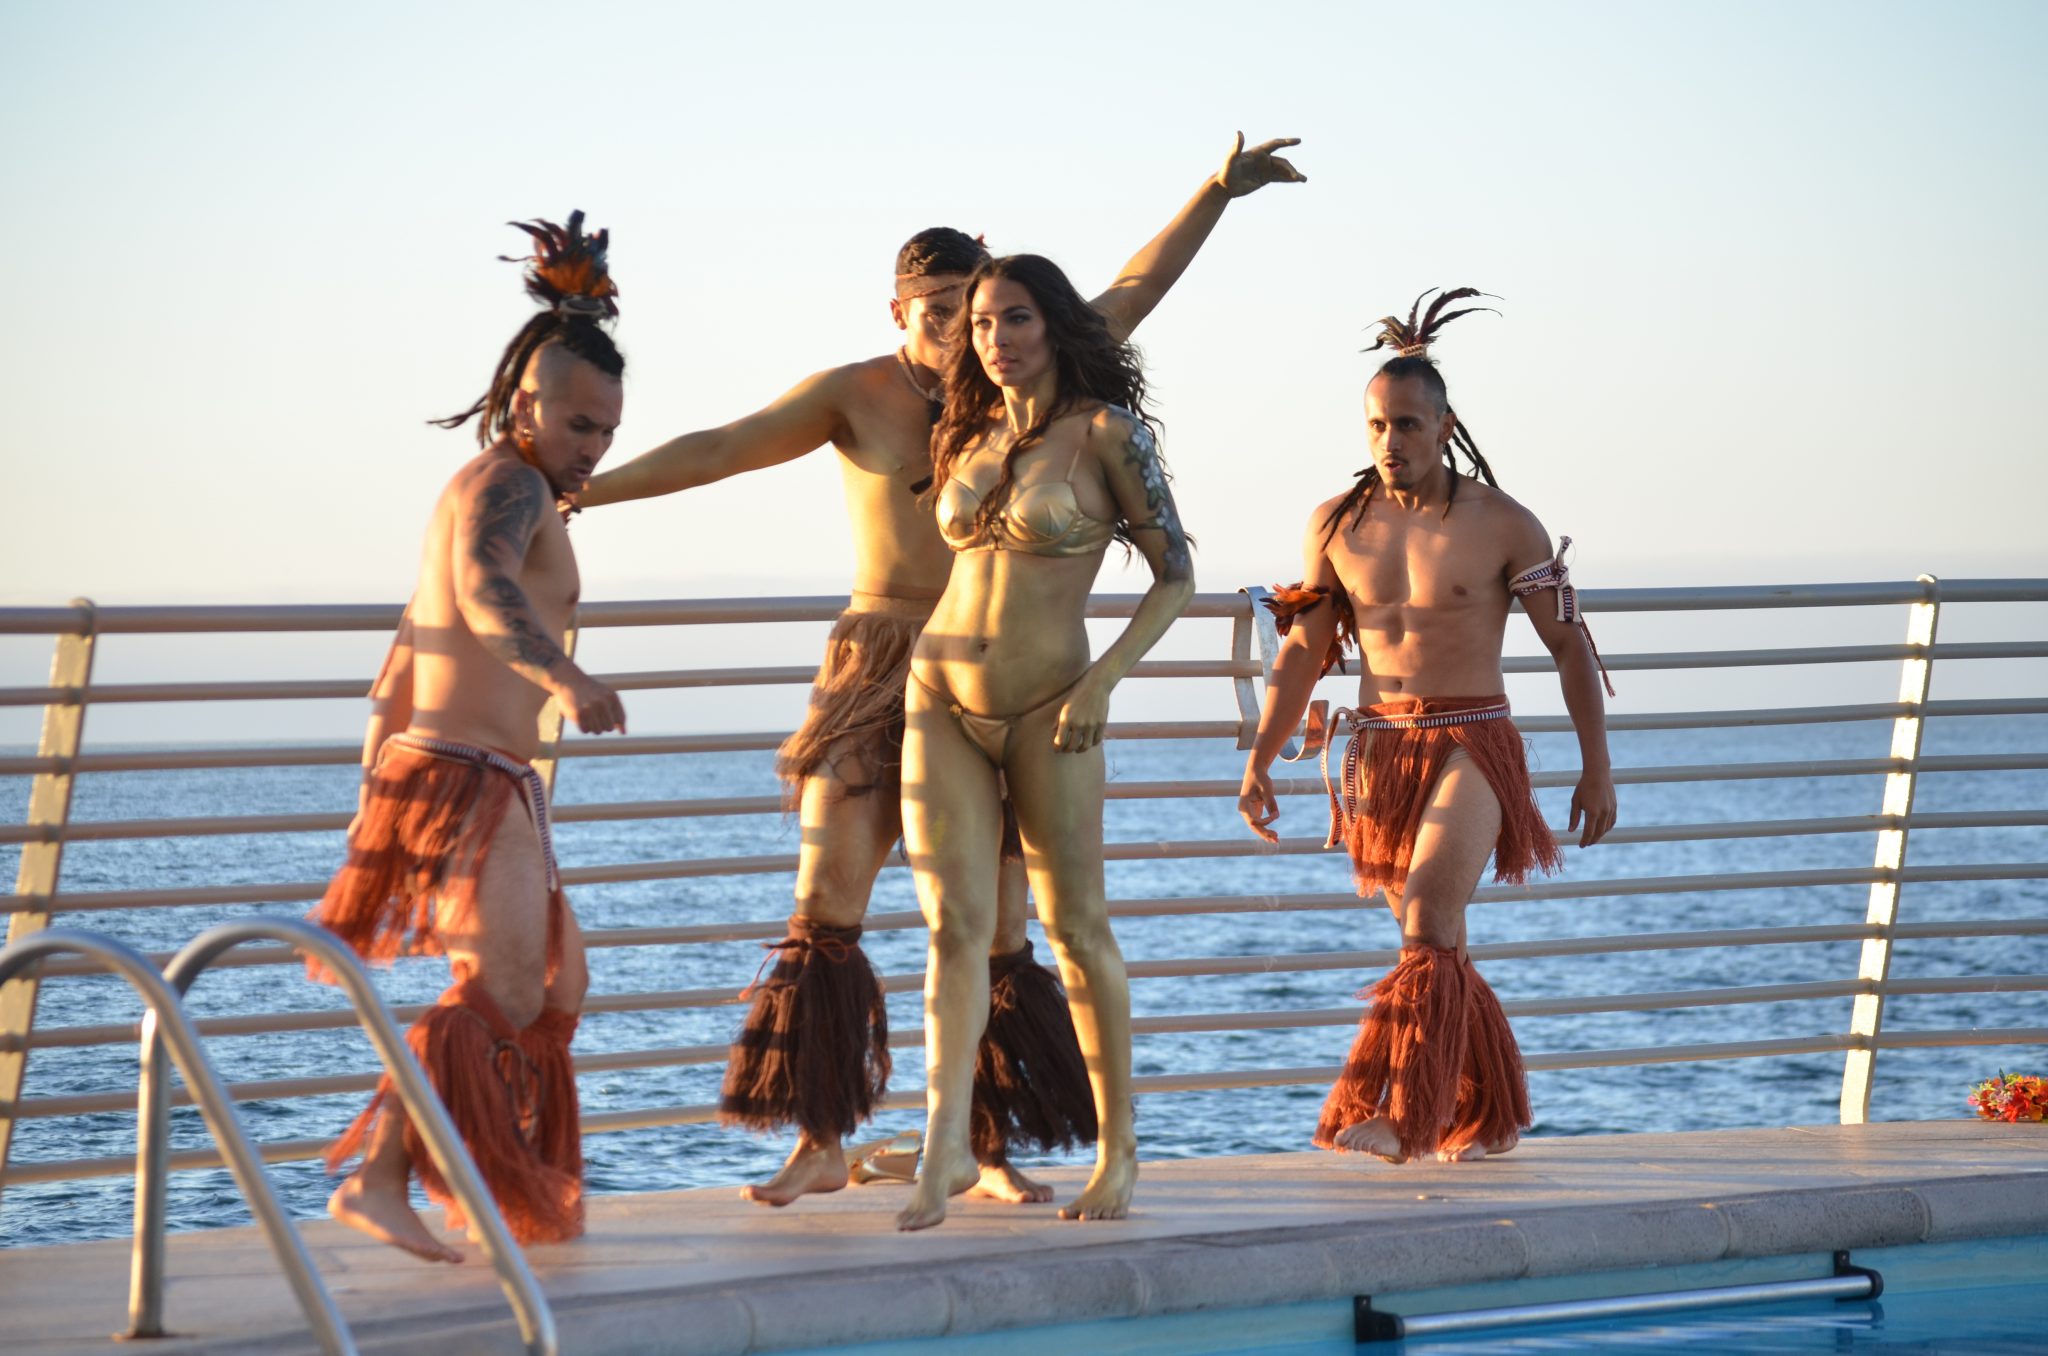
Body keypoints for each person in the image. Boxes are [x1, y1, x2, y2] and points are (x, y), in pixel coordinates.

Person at [578, 134, 1304, 1208]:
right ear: (899, 312)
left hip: (1008, 675)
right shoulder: (855, 393)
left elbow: (1136, 287)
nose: (965, 331)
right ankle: (821, 1138)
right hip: (882, 662)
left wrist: (1213, 193)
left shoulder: (1025, 385)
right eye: (942, 313)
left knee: (999, 926)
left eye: (981, 308)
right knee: (826, 895)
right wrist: (579, 490)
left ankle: (981, 1146)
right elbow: (719, 447)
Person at [310, 213, 629, 1261]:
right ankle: (381, 1177)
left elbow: (412, 635)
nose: (592, 450)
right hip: (464, 770)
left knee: (555, 986)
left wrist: (379, 761)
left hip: (470, 770)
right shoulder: (506, 484)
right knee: (496, 992)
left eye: (606, 434)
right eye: (579, 426)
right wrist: (565, 674)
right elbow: (484, 596)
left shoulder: (512, 483)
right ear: (524, 402)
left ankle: (473, 1171)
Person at [1236, 290, 1617, 1164]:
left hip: (1473, 740)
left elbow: (1568, 648)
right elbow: (1304, 650)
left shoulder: (1503, 524)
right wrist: (1260, 757)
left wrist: (1597, 769)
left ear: (1444, 425)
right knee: (1443, 939)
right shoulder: (1335, 525)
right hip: (1379, 748)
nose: (1389, 442)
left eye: (1407, 424)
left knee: (1426, 920)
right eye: (1376, 425)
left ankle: (1403, 1116)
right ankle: (1486, 1119)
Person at [895, 252, 1195, 1230]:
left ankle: (1119, 1155)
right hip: (938, 692)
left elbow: (1174, 576)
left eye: (1014, 319)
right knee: (952, 927)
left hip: (1051, 703)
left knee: (1074, 931)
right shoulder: (969, 432)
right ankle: (944, 1142)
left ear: (1054, 326)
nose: (994, 338)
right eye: (980, 324)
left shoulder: (1104, 436)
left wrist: (1105, 680)